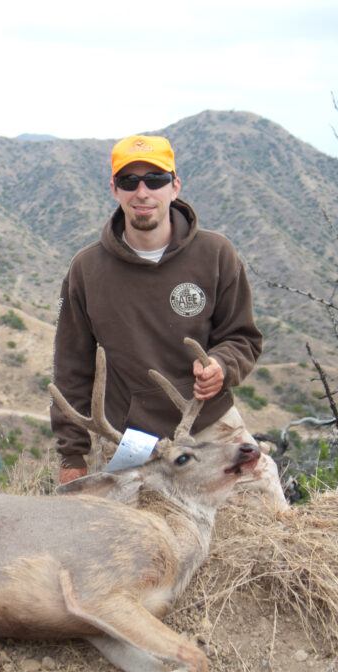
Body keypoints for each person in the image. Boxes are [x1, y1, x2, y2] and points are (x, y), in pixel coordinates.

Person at [50, 134, 287, 509]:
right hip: (129, 438)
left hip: (208, 422)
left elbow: (243, 337)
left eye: (155, 180)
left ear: (174, 186)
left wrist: (221, 367)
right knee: (117, 543)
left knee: (272, 521)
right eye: (129, 181)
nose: (142, 192)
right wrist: (72, 458)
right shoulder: (87, 269)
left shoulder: (215, 253)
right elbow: (71, 369)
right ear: (114, 189)